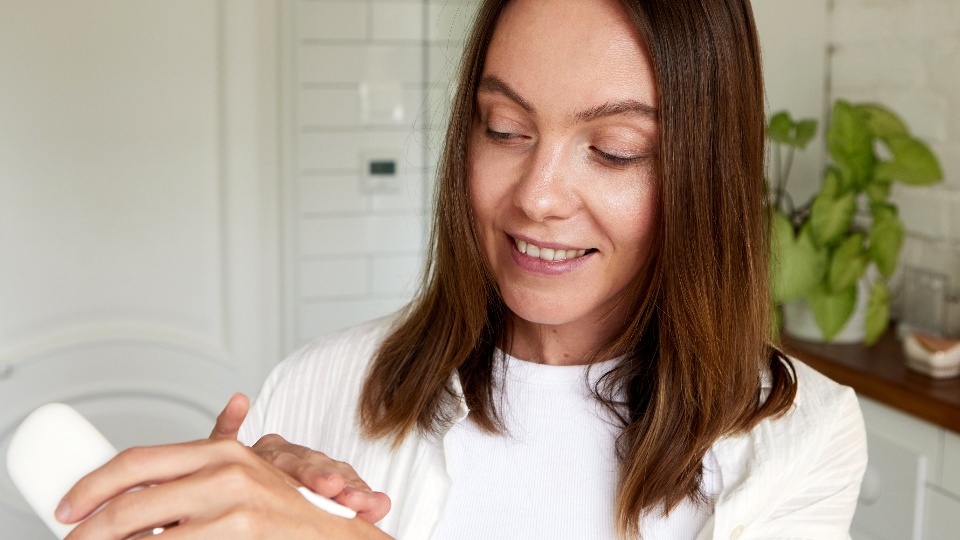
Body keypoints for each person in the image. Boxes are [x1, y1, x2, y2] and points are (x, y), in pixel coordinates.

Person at [57, 0, 867, 538]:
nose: (537, 197)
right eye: (505, 128)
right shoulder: (317, 387)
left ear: (706, 169)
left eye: (615, 150)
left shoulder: (802, 438)